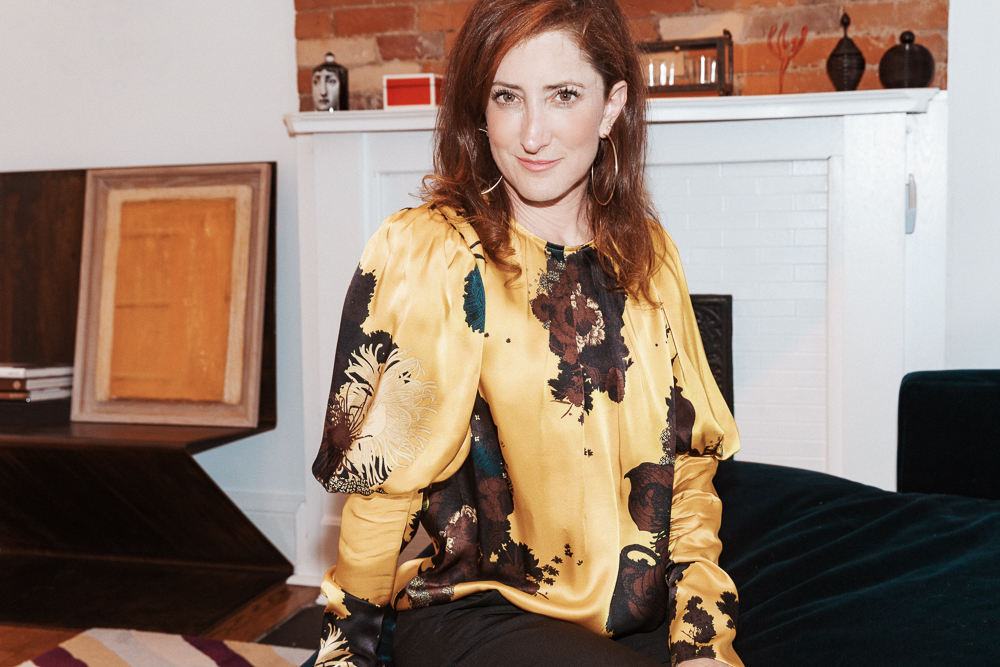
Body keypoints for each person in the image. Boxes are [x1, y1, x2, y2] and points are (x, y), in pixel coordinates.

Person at [310, 0, 742, 665]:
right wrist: (346, 653)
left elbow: (686, 477)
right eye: (507, 97)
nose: (532, 134)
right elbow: (383, 489)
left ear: (611, 106)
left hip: (630, 617)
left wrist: (704, 642)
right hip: (477, 609)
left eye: (563, 95)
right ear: (481, 112)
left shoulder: (650, 256)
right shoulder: (436, 253)